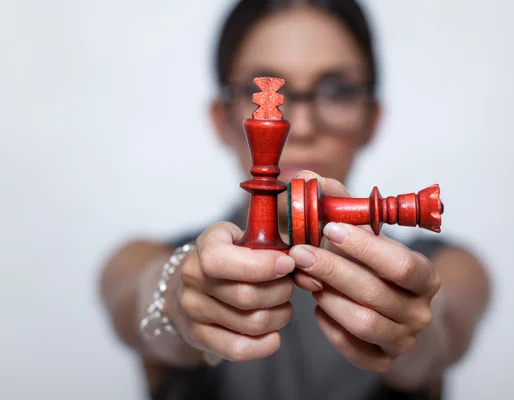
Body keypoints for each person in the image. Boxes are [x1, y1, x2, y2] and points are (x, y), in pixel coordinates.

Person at [99, 1, 491, 399]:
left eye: (336, 91)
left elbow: (445, 330)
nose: (299, 127)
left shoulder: (452, 266)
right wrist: (177, 301)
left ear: (371, 119)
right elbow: (134, 300)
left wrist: (411, 337)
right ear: (222, 120)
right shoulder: (141, 257)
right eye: (262, 93)